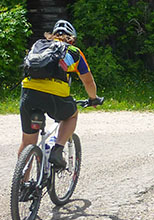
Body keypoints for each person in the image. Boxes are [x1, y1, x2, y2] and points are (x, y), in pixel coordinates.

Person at [18, 19, 100, 169]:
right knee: (71, 115)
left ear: (52, 35)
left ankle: (22, 185)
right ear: (72, 38)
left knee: (28, 142)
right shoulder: (74, 52)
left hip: (28, 93)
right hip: (55, 96)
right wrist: (93, 99)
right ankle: (57, 150)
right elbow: (88, 82)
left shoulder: (38, 45)